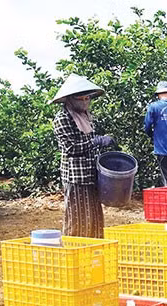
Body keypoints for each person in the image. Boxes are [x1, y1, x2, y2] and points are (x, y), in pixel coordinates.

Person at [51, 74, 116, 238]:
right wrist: (97, 141)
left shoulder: (86, 116)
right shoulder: (62, 119)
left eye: (88, 98)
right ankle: (74, 248)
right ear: (70, 99)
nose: (85, 101)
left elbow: (89, 141)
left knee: (93, 215)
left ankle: (94, 248)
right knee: (77, 215)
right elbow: (71, 148)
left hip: (91, 173)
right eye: (81, 98)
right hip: (76, 176)